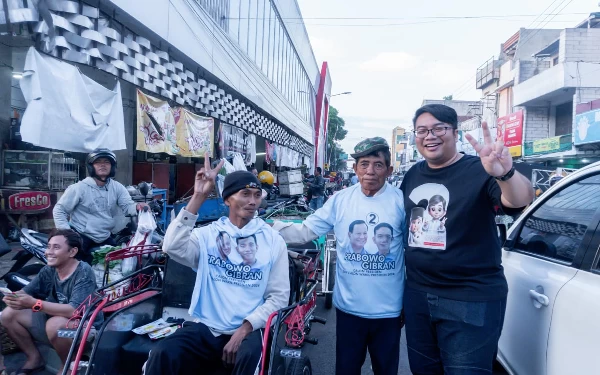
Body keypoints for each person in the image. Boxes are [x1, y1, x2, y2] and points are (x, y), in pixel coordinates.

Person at [400, 104, 534, 375]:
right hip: (417, 295)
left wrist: (505, 174)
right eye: (422, 130)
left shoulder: (481, 169)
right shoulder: (413, 174)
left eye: (439, 128)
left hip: (469, 298)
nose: (430, 136)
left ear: (455, 132)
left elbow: (519, 200)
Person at [144, 154, 289, 375]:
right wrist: (199, 196)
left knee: (251, 360)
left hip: (249, 330)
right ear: (227, 199)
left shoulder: (273, 240)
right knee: (163, 353)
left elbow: (278, 297)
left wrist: (244, 329)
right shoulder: (208, 235)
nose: (252, 201)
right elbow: (171, 246)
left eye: (257, 195)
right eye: (245, 194)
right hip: (207, 328)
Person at [273, 137, 406, 375]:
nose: (370, 171)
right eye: (364, 164)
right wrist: (267, 230)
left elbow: (414, 250)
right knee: (346, 369)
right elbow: (307, 230)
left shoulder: (401, 201)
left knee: (386, 370)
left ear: (389, 170)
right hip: (349, 310)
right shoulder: (341, 200)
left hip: (389, 310)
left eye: (378, 164)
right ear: (354, 169)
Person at [0, 229, 99, 375]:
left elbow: (74, 310)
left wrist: (35, 304)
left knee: (55, 324)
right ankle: (34, 358)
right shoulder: (49, 270)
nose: (48, 252)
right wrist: (13, 297)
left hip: (85, 327)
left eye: (56, 247)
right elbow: (27, 291)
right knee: (8, 314)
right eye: (48, 246)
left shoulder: (84, 272)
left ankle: (68, 365)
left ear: (72, 252)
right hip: (53, 322)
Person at [53, 148, 146, 263]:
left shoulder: (117, 187)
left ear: (112, 166)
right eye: (98, 162)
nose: (103, 165)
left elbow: (127, 206)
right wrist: (67, 234)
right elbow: (59, 210)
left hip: (104, 236)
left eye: (106, 162)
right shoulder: (79, 188)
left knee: (118, 263)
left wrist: (138, 207)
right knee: (76, 268)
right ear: (92, 166)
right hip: (82, 235)